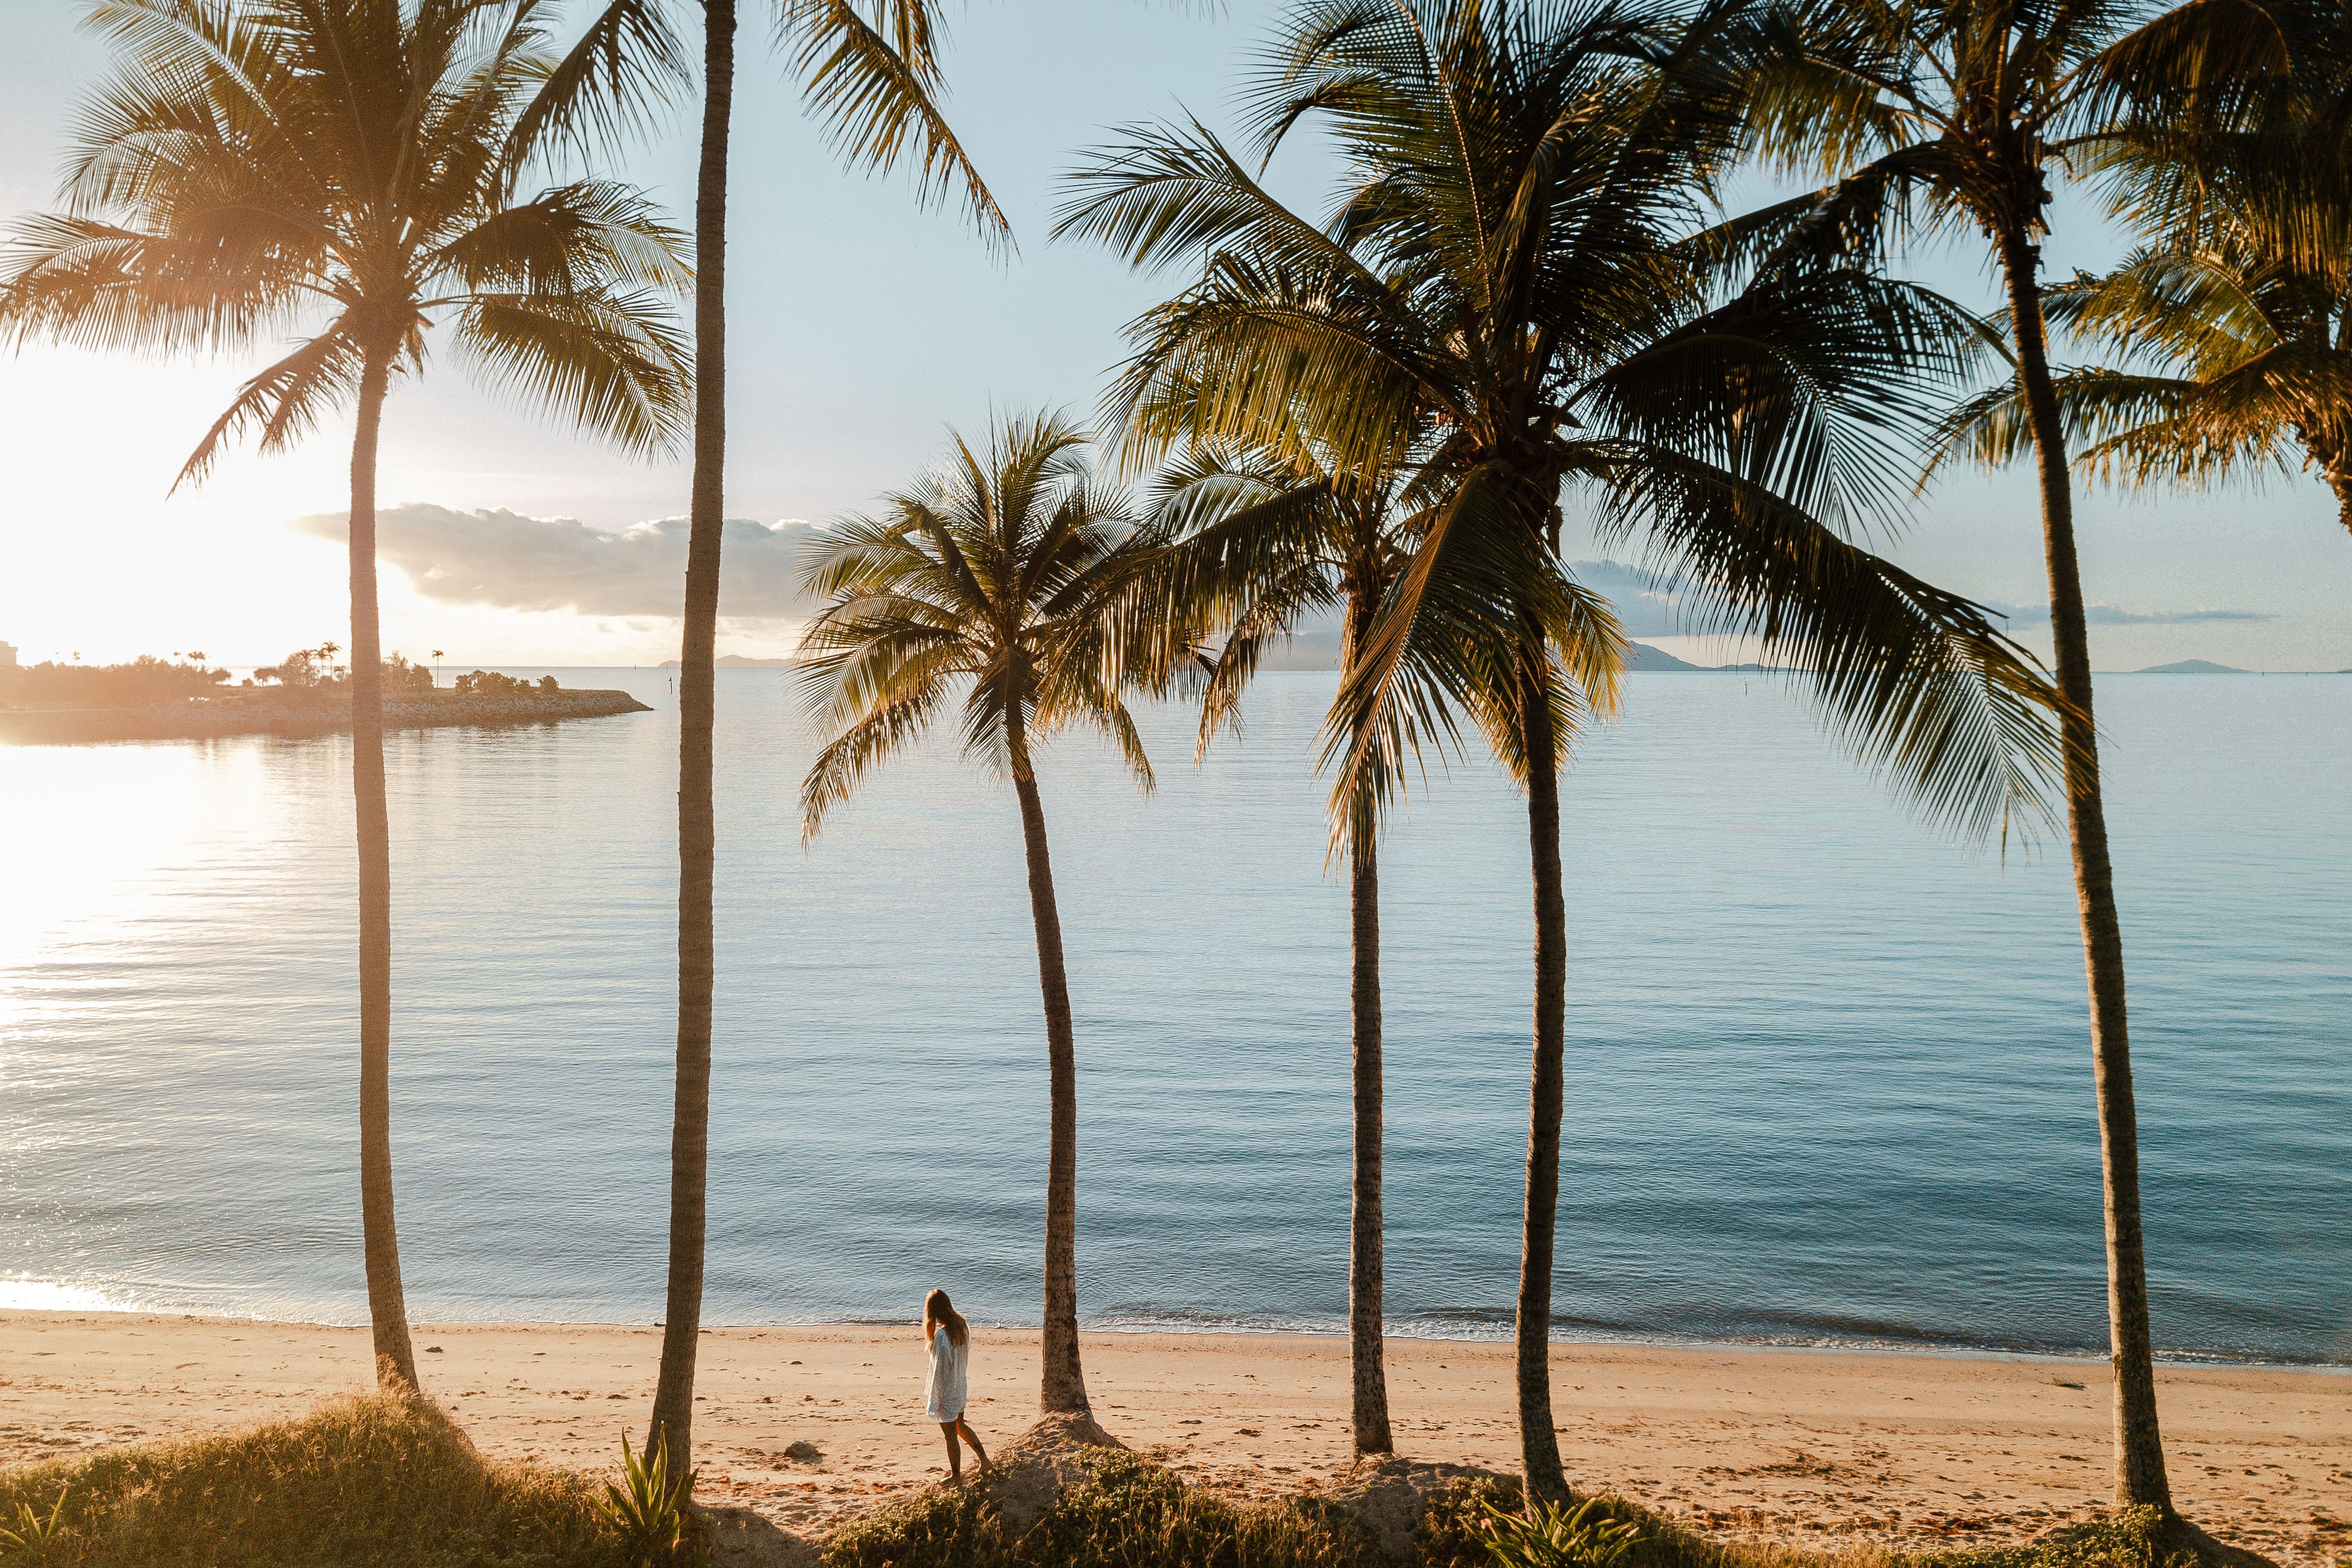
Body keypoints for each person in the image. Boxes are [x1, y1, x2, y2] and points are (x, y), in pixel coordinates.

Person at [923, 1287, 989, 1482]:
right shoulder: (962, 1326)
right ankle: (985, 1461)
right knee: (960, 1426)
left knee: (950, 1436)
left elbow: (940, 1372)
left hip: (948, 1391)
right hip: (960, 1386)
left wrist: (935, 1400)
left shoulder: (943, 1336)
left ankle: (956, 1476)